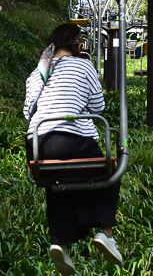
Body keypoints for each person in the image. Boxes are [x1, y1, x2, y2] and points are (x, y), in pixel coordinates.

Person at [24, 23, 122, 275]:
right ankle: (106, 233)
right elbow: (98, 106)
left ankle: (60, 242)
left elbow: (28, 112)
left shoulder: (36, 73)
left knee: (58, 182)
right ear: (76, 43)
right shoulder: (83, 66)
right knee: (108, 171)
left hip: (37, 145)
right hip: (72, 141)